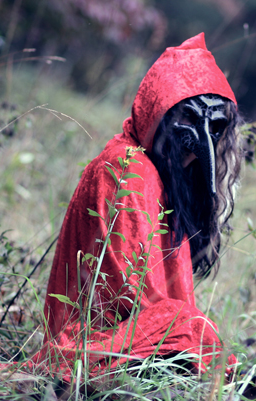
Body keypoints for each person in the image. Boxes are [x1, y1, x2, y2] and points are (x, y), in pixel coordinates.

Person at [29, 33, 243, 381]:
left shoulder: (160, 175)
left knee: (193, 331)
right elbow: (126, 296)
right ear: (157, 113)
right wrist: (184, 337)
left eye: (216, 126)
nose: (199, 142)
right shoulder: (128, 169)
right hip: (92, 348)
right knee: (190, 327)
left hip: (126, 346)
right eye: (188, 118)